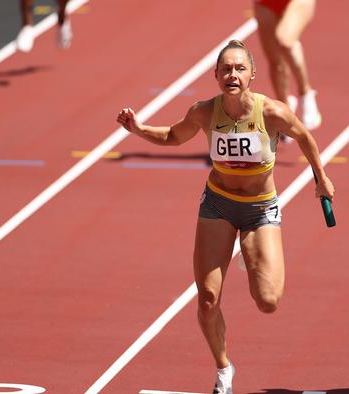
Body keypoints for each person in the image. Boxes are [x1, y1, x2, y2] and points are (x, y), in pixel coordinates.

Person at [117, 40, 334, 394]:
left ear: (251, 74)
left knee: (268, 301)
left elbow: (305, 136)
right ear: (216, 75)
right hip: (217, 205)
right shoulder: (204, 111)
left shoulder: (272, 113)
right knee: (206, 299)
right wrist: (138, 128)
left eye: (239, 69)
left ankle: (252, 255)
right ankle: (223, 369)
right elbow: (173, 136)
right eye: (226, 69)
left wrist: (321, 178)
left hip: (260, 208)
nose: (232, 75)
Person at [253, 0, 322, 141]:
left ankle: (305, 92)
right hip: (265, 3)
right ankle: (285, 109)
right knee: (276, 63)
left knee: (285, 40)